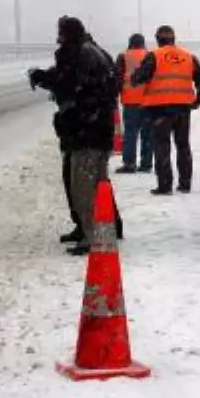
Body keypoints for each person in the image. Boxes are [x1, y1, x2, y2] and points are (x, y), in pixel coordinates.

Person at [29, 16, 120, 254]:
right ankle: (97, 229)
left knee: (84, 187)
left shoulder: (81, 54)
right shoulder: (92, 52)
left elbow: (70, 83)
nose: (57, 37)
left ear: (68, 34)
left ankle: (92, 236)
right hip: (94, 130)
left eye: (60, 32)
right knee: (96, 184)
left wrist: (45, 80)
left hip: (86, 133)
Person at [131, 25, 200, 195]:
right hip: (183, 108)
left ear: (158, 39)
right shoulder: (188, 56)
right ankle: (185, 183)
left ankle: (165, 185)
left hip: (160, 109)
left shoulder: (154, 56)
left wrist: (135, 78)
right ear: (174, 38)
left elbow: (139, 77)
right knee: (183, 145)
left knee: (162, 145)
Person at [114, 33, 154, 174]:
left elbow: (118, 78)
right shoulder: (150, 55)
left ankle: (129, 163)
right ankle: (146, 163)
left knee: (130, 133)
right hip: (148, 100)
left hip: (130, 100)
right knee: (148, 133)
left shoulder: (123, 56)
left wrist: (115, 94)